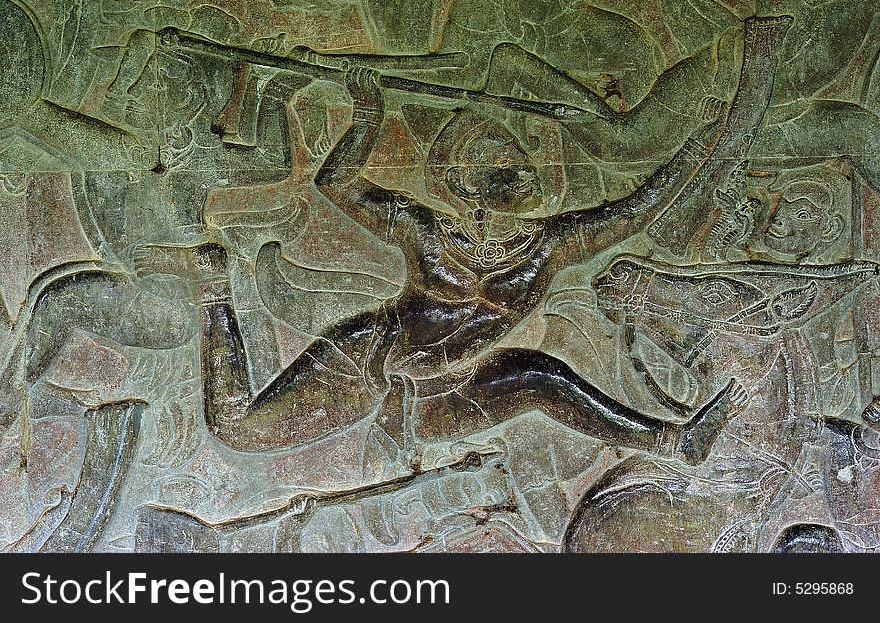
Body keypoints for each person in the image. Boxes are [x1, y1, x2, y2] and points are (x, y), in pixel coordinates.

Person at [134, 66, 748, 467]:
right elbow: (337, 183)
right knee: (239, 428)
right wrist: (367, 117)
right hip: (370, 364)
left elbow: (634, 213)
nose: (508, 158)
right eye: (489, 151)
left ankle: (673, 442)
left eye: (511, 151)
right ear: (459, 176)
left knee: (539, 377)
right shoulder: (426, 230)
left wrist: (698, 145)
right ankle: (215, 283)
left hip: (448, 389)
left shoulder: (548, 245)